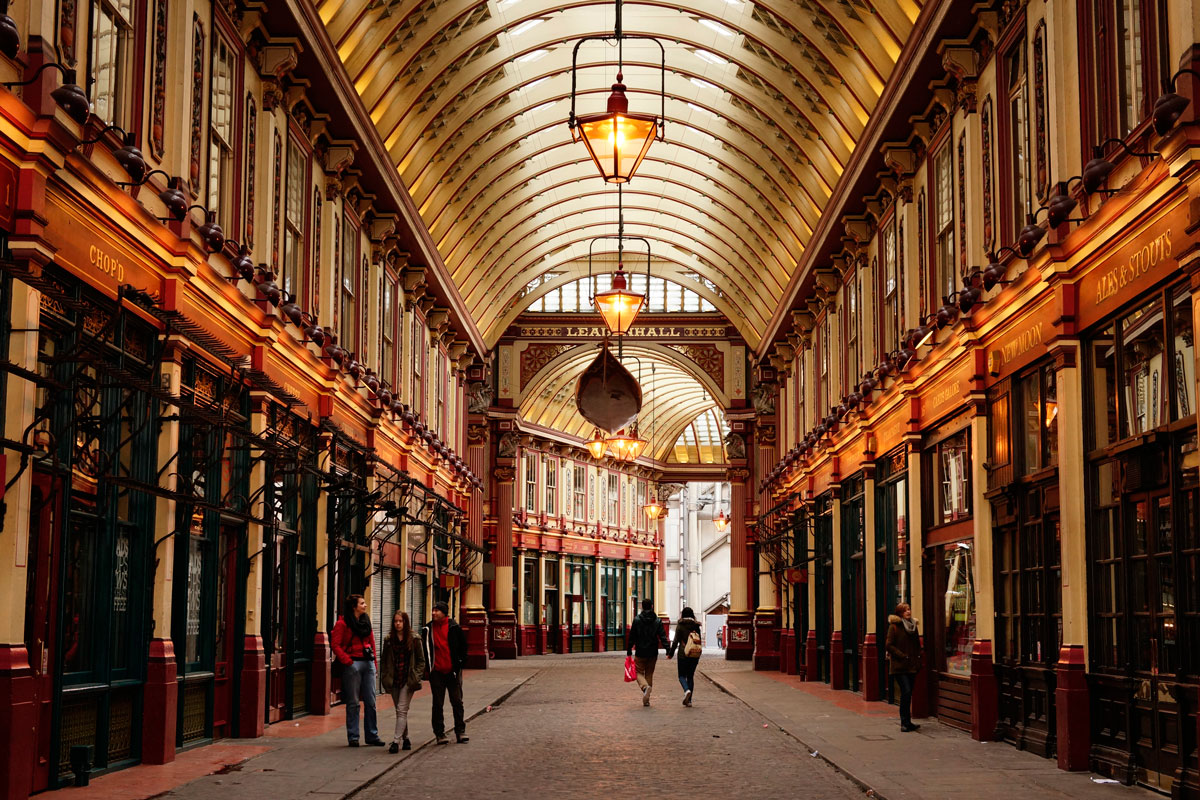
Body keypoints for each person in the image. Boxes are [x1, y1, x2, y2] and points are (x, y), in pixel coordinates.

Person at [331, 594, 384, 747]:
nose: (365, 605)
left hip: (367, 664)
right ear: (354, 607)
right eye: (362, 603)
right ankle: (353, 736)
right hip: (353, 664)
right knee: (353, 702)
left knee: (371, 701)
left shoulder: (365, 621)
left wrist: (374, 663)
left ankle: (372, 735)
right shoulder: (342, 624)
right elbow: (335, 644)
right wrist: (348, 661)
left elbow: (372, 641)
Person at [421, 600, 469, 744]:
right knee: (437, 703)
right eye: (433, 610)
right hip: (436, 672)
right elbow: (424, 650)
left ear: (444, 613)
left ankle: (460, 731)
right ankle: (439, 733)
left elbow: (463, 647)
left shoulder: (454, 627)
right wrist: (429, 669)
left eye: (437, 610)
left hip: (452, 672)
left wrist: (459, 665)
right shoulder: (428, 629)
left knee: (457, 701)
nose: (434, 613)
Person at [381, 609, 425, 754]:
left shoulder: (414, 638)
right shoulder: (389, 640)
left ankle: (395, 741)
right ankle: (406, 739)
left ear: (405, 622)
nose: (398, 624)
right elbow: (384, 660)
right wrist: (384, 677)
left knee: (401, 709)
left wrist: (416, 677)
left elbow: (421, 661)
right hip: (394, 680)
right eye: (395, 621)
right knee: (401, 711)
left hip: (408, 679)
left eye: (400, 621)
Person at [885, 602, 922, 733]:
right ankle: (904, 723)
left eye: (909, 609)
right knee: (906, 692)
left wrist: (918, 659)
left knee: (909, 694)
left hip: (912, 665)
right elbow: (889, 645)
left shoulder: (913, 626)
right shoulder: (894, 627)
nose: (908, 611)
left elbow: (917, 644)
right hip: (899, 666)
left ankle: (908, 722)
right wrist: (902, 655)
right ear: (900, 612)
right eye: (905, 610)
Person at [626, 598, 669, 706]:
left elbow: (632, 636)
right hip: (653, 652)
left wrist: (629, 649)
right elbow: (663, 636)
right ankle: (647, 699)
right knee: (649, 673)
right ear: (652, 607)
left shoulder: (637, 620)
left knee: (638, 672)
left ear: (642, 607)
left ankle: (645, 688)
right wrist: (668, 649)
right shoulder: (657, 621)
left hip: (640, 651)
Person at [667, 607, 702, 707]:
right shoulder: (696, 625)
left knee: (681, 676)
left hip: (683, 654)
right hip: (694, 653)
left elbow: (675, 641)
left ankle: (686, 690)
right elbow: (698, 640)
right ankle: (689, 701)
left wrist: (670, 654)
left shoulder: (680, 625)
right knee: (690, 676)